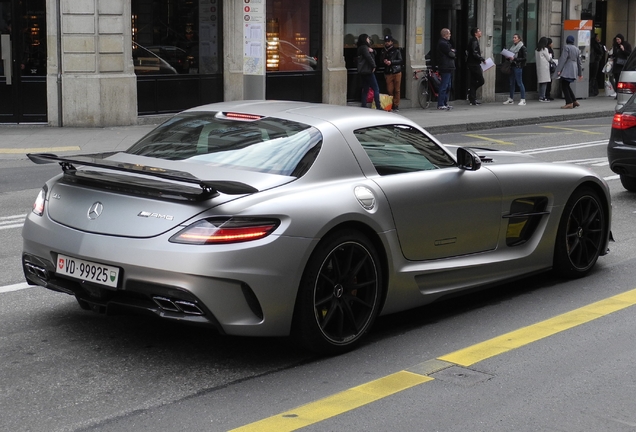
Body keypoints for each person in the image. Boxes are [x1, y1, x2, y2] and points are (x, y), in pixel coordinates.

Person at [555, 35, 583, 109]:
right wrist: (580, 73)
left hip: (567, 67)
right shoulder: (577, 49)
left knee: (564, 84)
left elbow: (563, 59)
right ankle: (574, 100)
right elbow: (579, 62)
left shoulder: (566, 47)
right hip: (574, 68)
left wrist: (559, 70)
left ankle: (569, 102)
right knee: (566, 85)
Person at [356, 33, 382, 109]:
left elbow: (374, 53)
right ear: (365, 39)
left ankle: (363, 105)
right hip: (368, 71)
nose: (369, 39)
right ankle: (378, 106)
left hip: (363, 71)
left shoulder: (361, 48)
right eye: (367, 38)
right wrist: (374, 66)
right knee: (376, 88)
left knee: (366, 88)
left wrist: (372, 51)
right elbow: (368, 58)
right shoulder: (364, 48)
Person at [502, 33, 527, 105]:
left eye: (515, 38)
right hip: (512, 66)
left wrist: (515, 59)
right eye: (513, 38)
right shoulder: (512, 47)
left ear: (519, 39)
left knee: (519, 82)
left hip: (518, 66)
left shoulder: (522, 47)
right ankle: (511, 99)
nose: (513, 39)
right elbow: (510, 55)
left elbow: (524, 58)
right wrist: (507, 56)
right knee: (511, 83)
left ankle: (523, 99)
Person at [381, 35, 403, 112]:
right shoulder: (384, 51)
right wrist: (384, 61)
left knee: (397, 90)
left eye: (388, 41)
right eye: (386, 41)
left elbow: (400, 60)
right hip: (388, 72)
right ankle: (391, 103)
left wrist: (391, 62)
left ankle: (396, 105)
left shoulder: (396, 50)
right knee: (389, 90)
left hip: (396, 71)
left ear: (391, 42)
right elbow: (381, 60)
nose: (387, 43)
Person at [436, 28, 456, 111]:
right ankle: (440, 104)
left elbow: (452, 52)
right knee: (444, 86)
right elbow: (451, 54)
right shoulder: (443, 43)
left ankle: (445, 103)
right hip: (445, 66)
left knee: (448, 86)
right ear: (445, 35)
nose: (450, 35)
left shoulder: (446, 43)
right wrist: (453, 52)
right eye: (449, 34)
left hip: (449, 66)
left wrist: (453, 51)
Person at [466, 27, 486, 106]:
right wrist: (482, 59)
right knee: (481, 80)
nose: (480, 32)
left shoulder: (474, 40)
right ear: (475, 33)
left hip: (472, 64)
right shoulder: (474, 41)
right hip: (474, 64)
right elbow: (474, 52)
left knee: (473, 81)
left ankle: (472, 98)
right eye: (479, 31)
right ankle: (471, 94)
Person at [535, 37, 552, 102]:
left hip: (539, 67)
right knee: (544, 83)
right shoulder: (545, 49)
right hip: (544, 67)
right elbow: (548, 58)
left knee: (541, 82)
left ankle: (541, 95)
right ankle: (542, 97)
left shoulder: (537, 49)